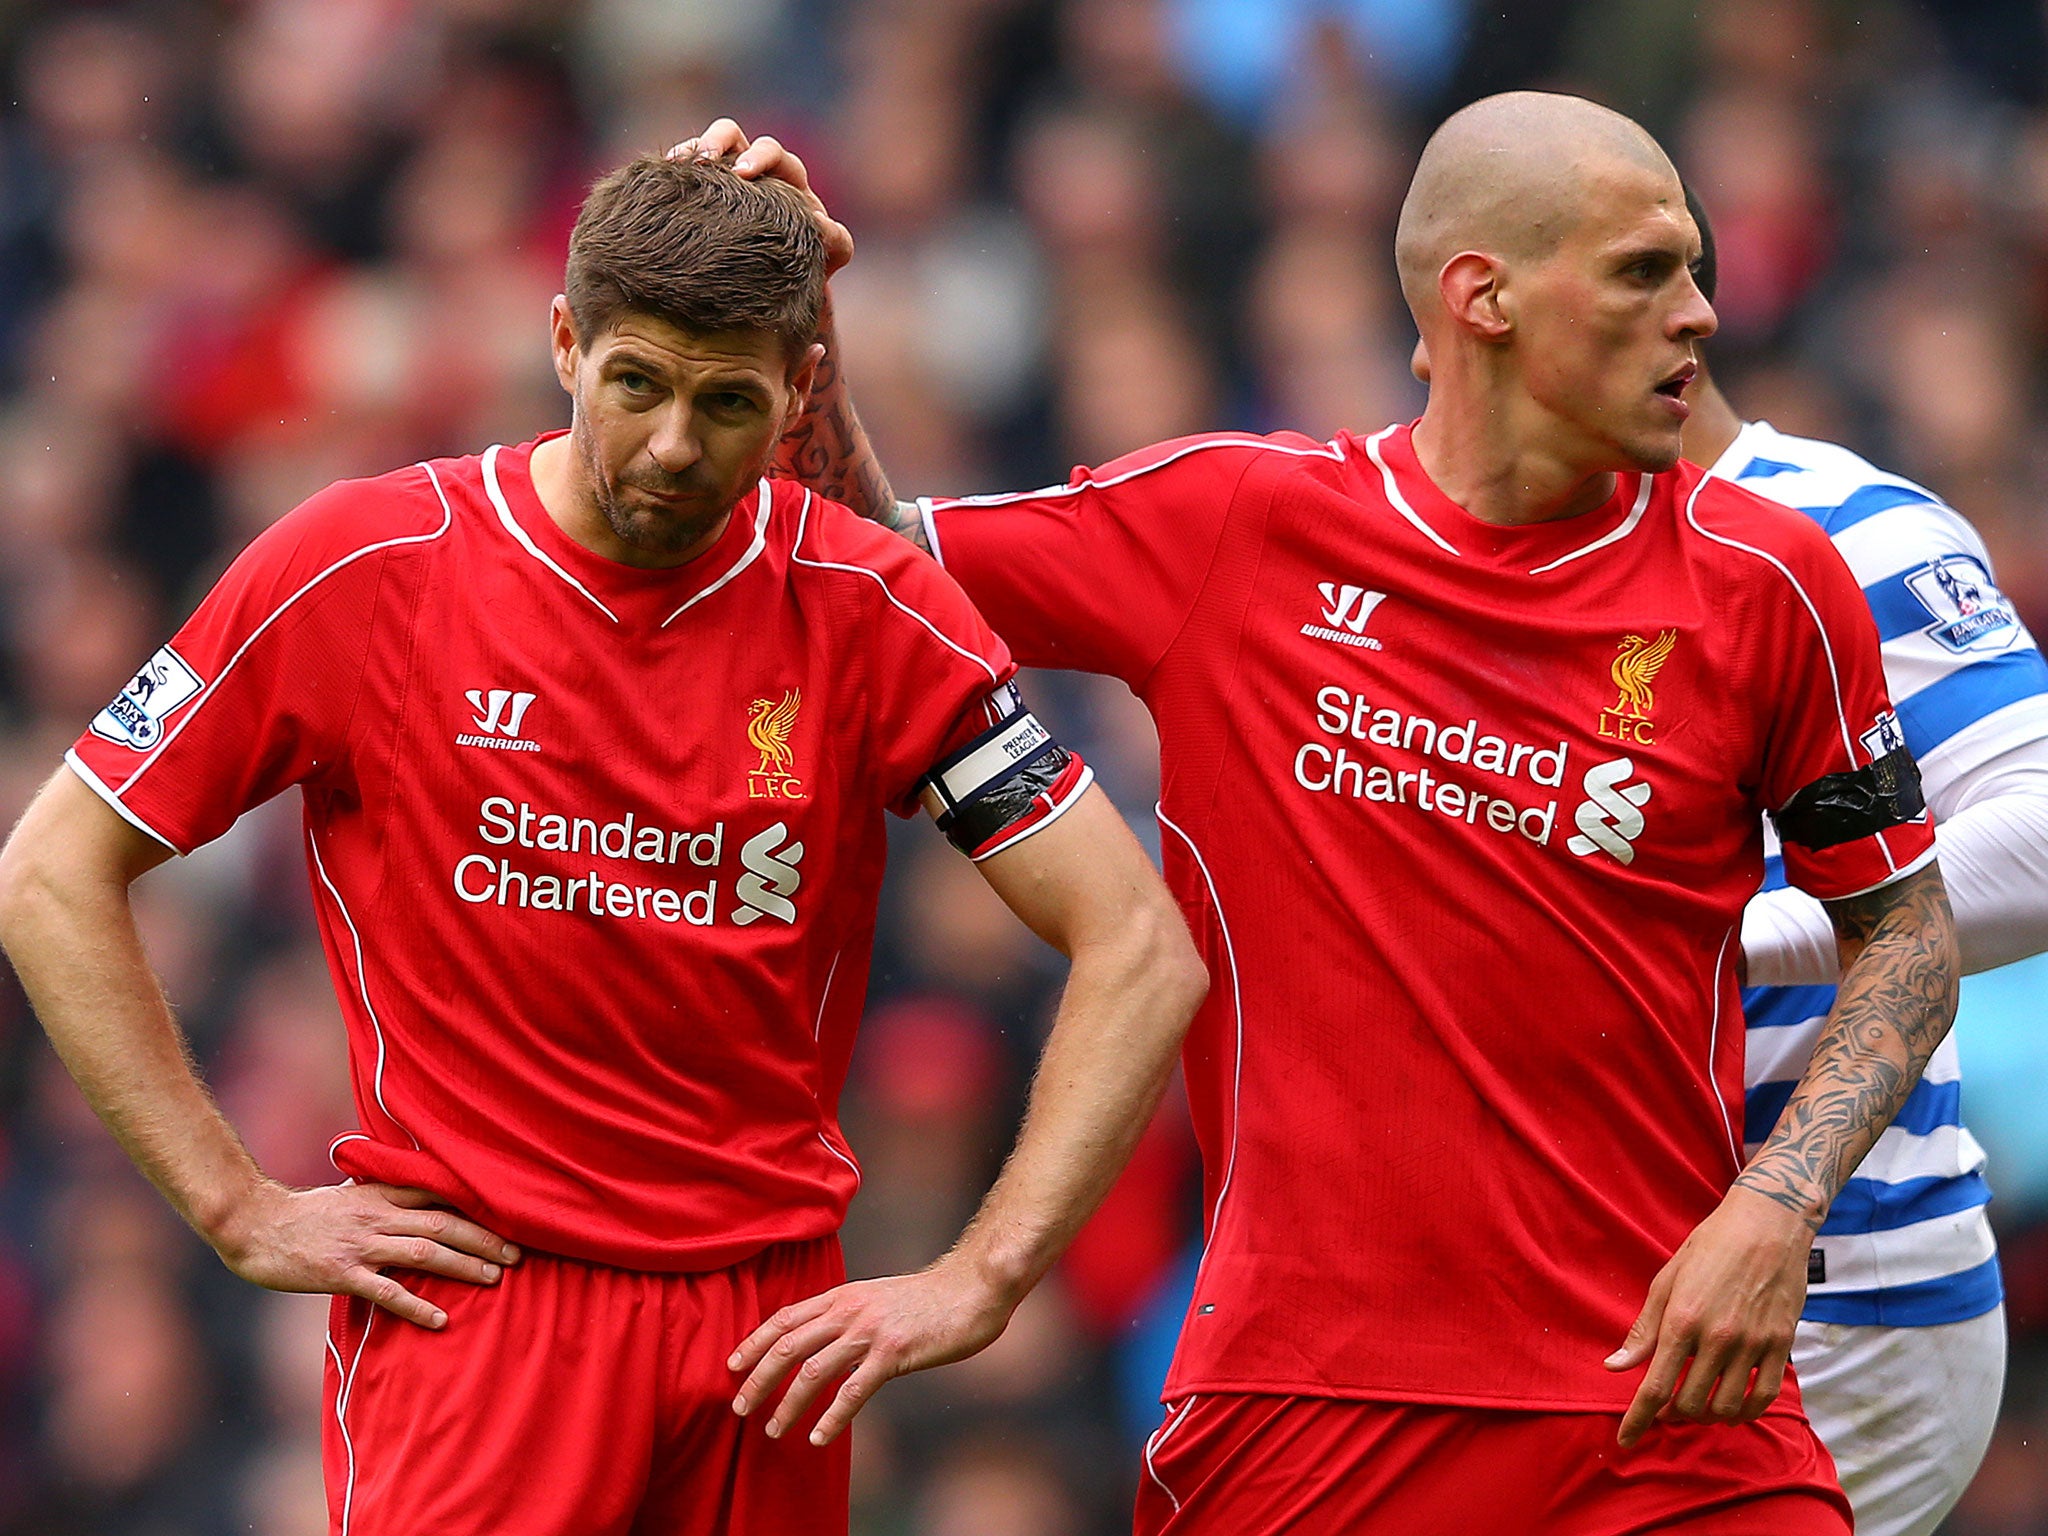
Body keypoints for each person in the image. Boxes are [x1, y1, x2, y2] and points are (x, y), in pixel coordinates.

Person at [691, 94, 1960, 1535]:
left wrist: (1776, 1206)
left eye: (1695, 270)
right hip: (1306, 1415)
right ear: (1482, 297)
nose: (1700, 316)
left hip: (1662, 1409)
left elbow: (1904, 931)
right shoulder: (1238, 522)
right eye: (1646, 271)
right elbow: (865, 567)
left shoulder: (1772, 585)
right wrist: (789, 328)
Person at [0, 154, 1208, 1536]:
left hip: (766, 1342)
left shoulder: (870, 610)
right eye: (638, 382)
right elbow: (47, 870)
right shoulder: (368, 565)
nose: (678, 444)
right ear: (565, 342)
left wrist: (984, 1275)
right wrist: (232, 1205)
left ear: (798, 393)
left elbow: (1140, 947)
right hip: (481, 1314)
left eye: (729, 401)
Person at [1675, 194, 2048, 1536]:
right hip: (1584, 1265)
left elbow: (2047, 844)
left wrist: (1728, 935)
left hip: (1846, 1285)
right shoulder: (1468, 547)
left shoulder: (1848, 527)